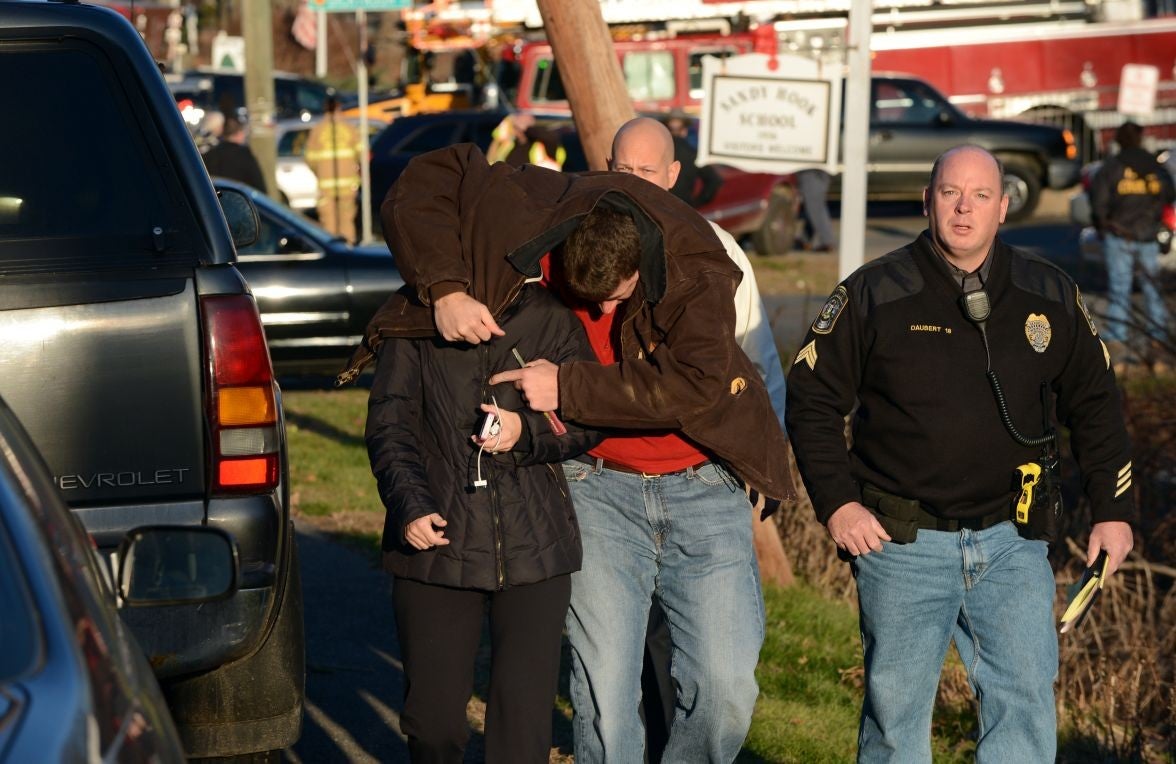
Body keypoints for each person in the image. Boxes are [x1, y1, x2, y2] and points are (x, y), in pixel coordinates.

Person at [337, 142, 794, 763]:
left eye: (617, 297)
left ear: (645, 262)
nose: (603, 312)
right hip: (597, 484)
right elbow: (429, 176)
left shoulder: (699, 261)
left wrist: (568, 387)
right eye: (588, 297)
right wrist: (444, 290)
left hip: (698, 481)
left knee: (725, 688)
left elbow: (699, 383)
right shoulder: (533, 208)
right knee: (605, 690)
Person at [785, 145, 1136, 761]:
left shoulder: (1048, 293)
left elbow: (1097, 404)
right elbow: (811, 400)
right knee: (896, 719)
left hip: (1012, 539)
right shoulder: (874, 294)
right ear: (928, 201)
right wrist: (838, 504)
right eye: (950, 193)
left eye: (979, 195)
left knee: (1024, 700)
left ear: (1004, 206)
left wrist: (1113, 508)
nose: (964, 209)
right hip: (902, 543)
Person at [608, 116, 789, 756]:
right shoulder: (583, 245)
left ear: (674, 176)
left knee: (717, 668)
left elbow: (759, 363)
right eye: (621, 170)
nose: (632, 184)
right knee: (624, 660)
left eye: (646, 172)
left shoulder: (718, 252)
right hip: (608, 484)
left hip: (701, 478)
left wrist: (761, 464)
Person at [366, 268, 600, 762]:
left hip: (535, 543)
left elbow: (588, 419)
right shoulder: (412, 318)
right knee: (433, 726)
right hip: (437, 542)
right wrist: (411, 505)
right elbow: (389, 422)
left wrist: (527, 430)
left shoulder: (551, 315)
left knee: (521, 733)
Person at [1091, 121, 1176, 363]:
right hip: (1147, 236)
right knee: (1152, 289)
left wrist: (1102, 225)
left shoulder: (1112, 167)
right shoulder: (1154, 167)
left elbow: (1099, 201)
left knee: (1119, 289)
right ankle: (1157, 337)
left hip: (1118, 235)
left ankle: (1117, 339)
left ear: (1118, 140)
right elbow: (1169, 194)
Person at [305, 93, 362, 243]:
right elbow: (362, 155)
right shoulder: (350, 129)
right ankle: (349, 255)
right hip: (348, 186)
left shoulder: (317, 130)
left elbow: (310, 159)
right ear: (339, 107)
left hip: (326, 187)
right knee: (347, 222)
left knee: (328, 224)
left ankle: (333, 257)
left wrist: (322, 172)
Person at [664, 114, 722, 209]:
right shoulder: (693, 154)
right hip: (683, 208)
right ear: (684, 131)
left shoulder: (657, 153)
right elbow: (714, 180)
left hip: (657, 207)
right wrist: (696, 203)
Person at [200, 115, 267, 192]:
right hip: (240, 200)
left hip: (216, 200)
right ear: (239, 133)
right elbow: (258, 182)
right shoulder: (244, 155)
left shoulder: (210, 154)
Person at [486, 112, 564, 170]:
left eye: (515, 127)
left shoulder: (543, 144)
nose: (513, 130)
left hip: (541, 188)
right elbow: (491, 158)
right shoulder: (509, 145)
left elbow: (551, 137)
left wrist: (527, 128)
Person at [795, 168, 836, 253]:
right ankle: (805, 239)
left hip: (811, 169)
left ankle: (826, 241)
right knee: (813, 205)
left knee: (815, 206)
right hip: (820, 169)